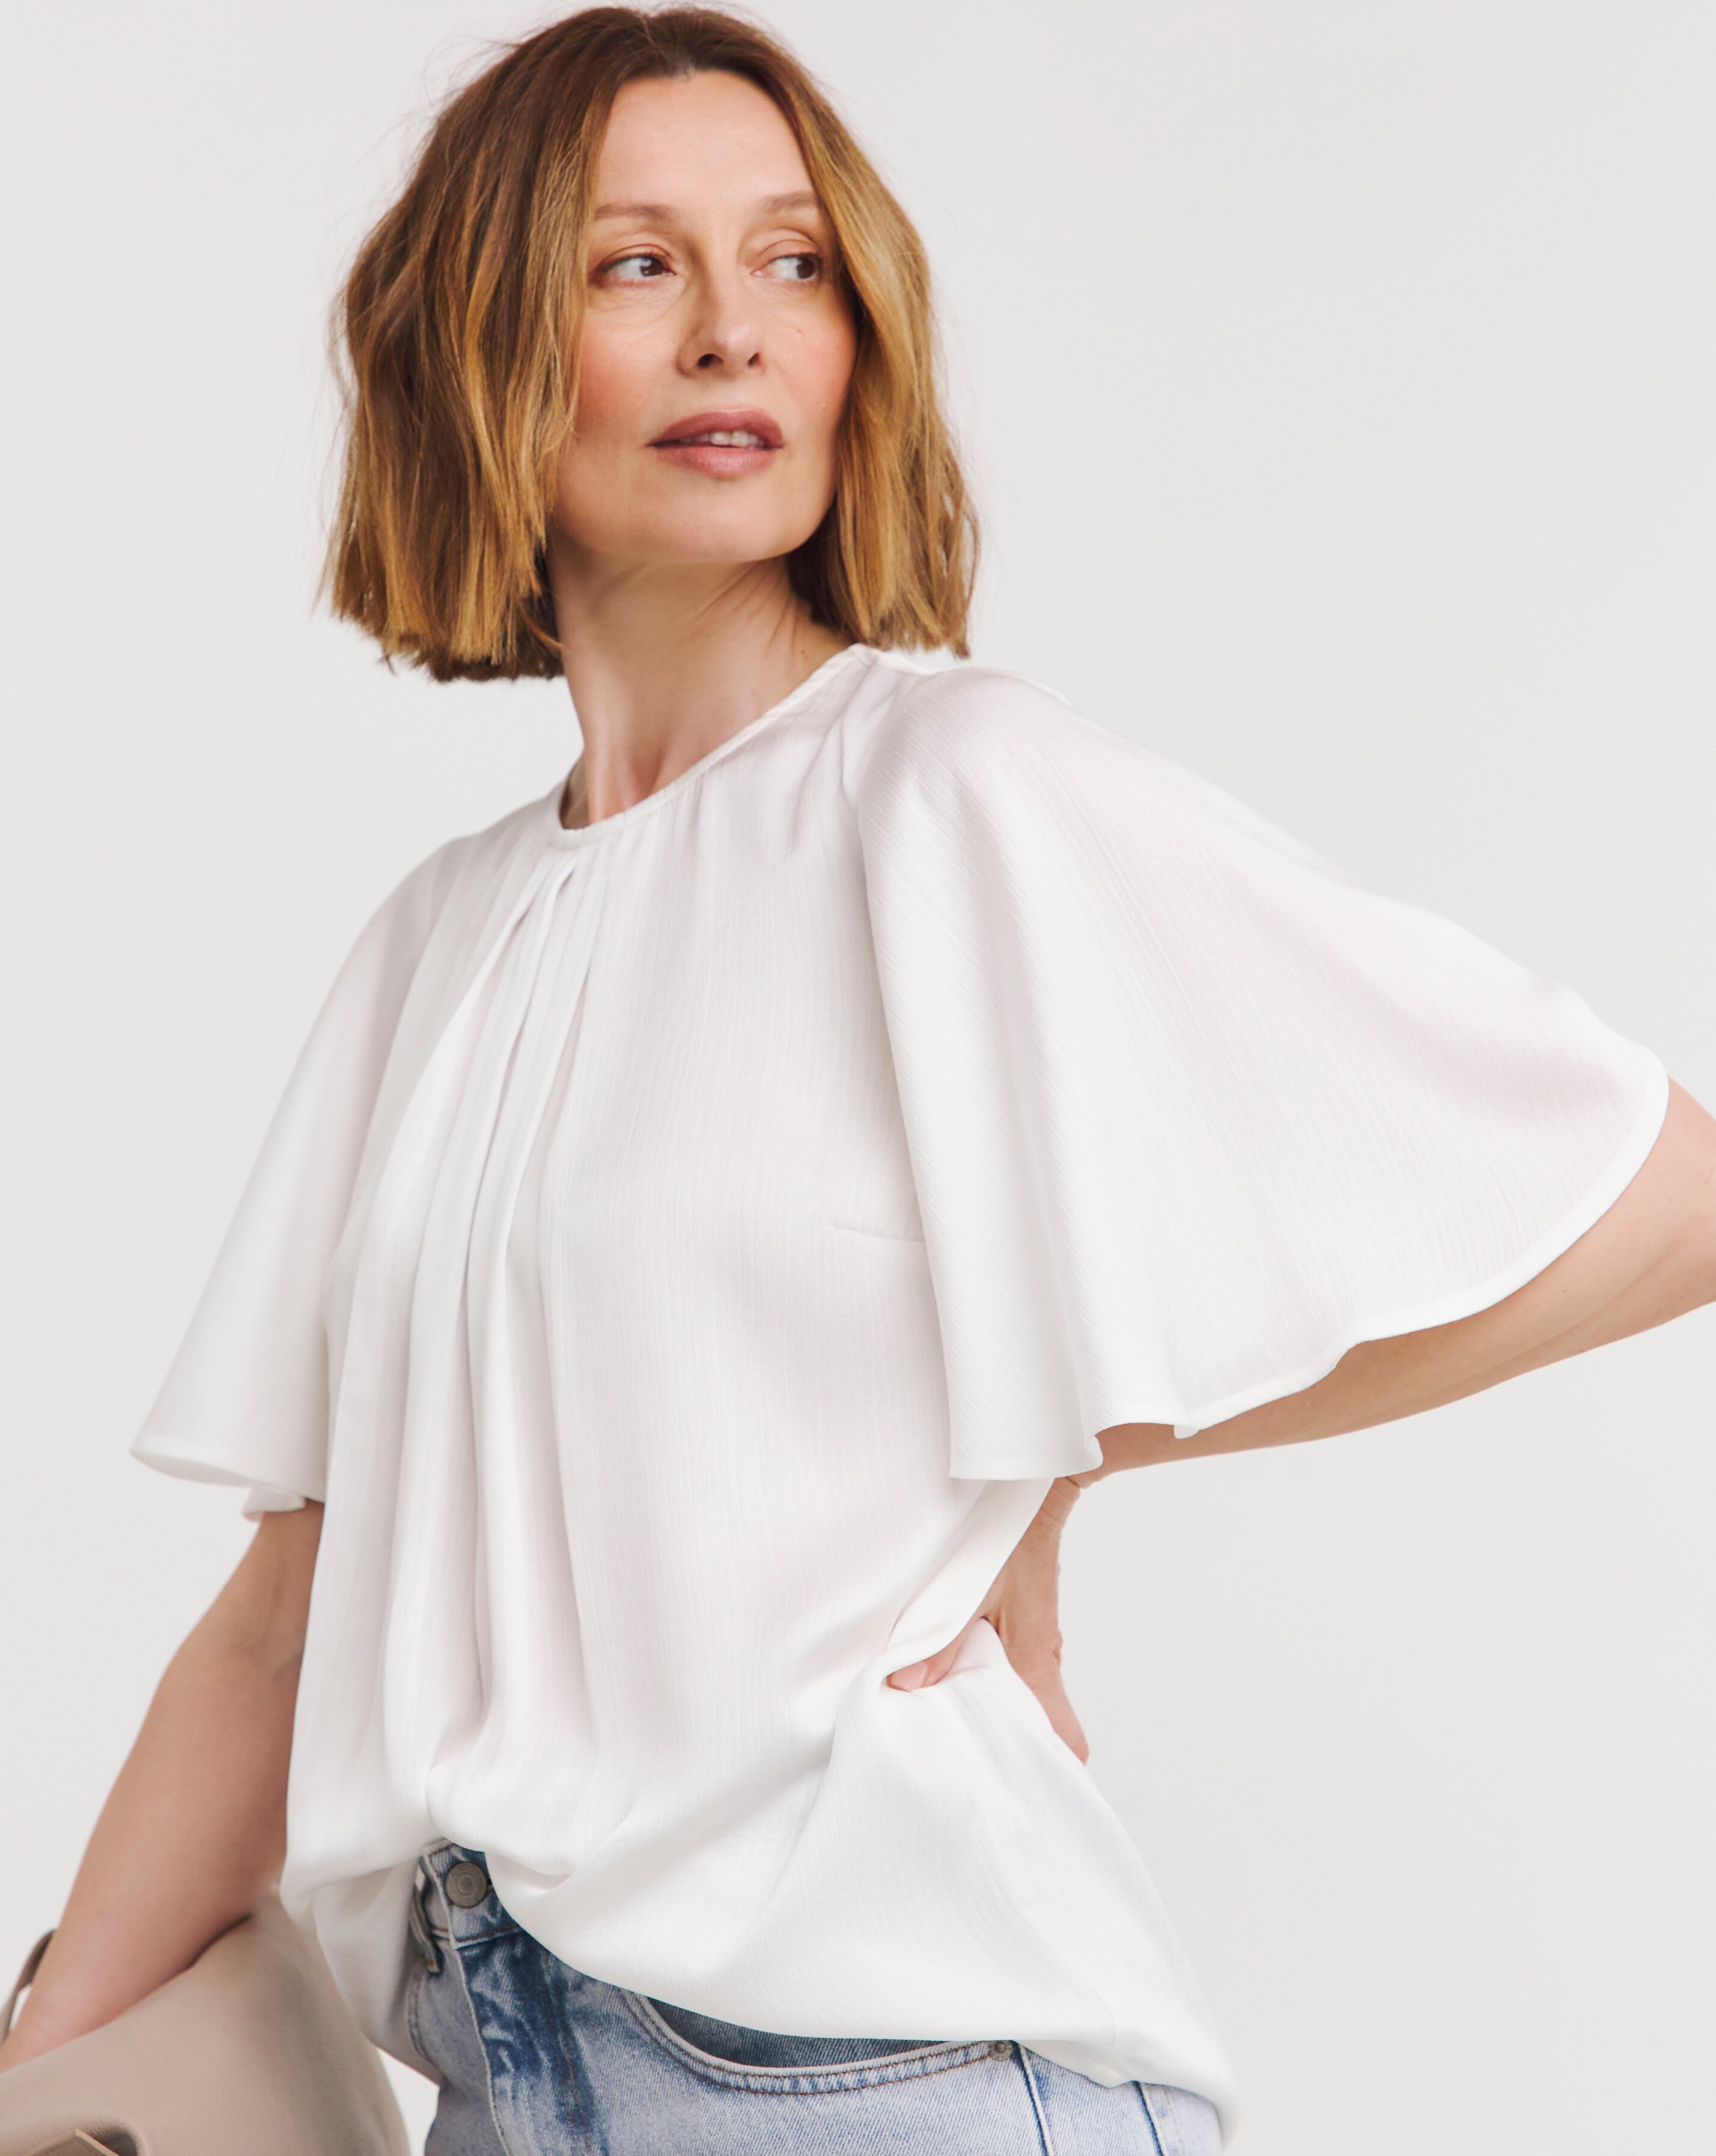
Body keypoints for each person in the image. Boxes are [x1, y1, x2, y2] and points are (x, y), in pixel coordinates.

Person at [3, 10, 1712, 2152]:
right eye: (636, 265)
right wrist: (43, 2061)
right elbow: (280, 1628)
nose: (734, 329)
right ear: (479, 350)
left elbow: (1666, 1193)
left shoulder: (946, 791)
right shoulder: (439, 942)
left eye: (793, 262)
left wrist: (1046, 1436)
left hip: (879, 2079)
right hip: (502, 2079)